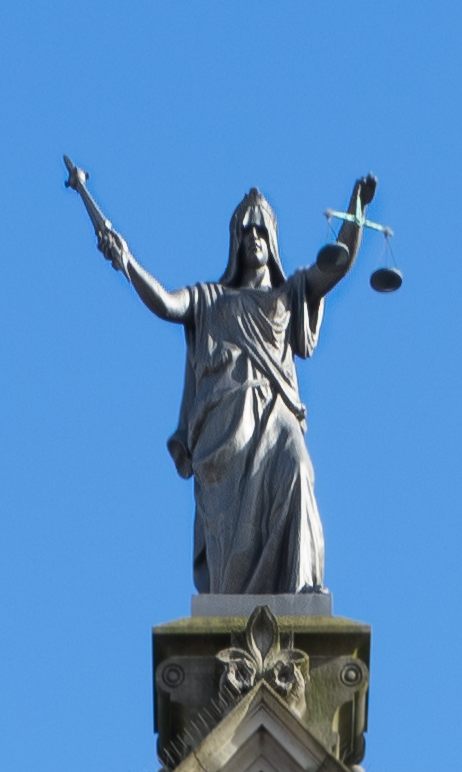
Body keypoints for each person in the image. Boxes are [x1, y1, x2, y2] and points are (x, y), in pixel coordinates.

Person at [67, 169, 376, 604]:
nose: (254, 238)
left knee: (299, 470)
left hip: (277, 412)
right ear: (235, 240)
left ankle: (302, 586)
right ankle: (236, 607)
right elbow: (165, 302)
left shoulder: (289, 293)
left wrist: (357, 212)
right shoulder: (209, 298)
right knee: (237, 543)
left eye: (261, 230)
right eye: (245, 230)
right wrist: (128, 261)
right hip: (225, 430)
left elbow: (337, 265)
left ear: (272, 240)